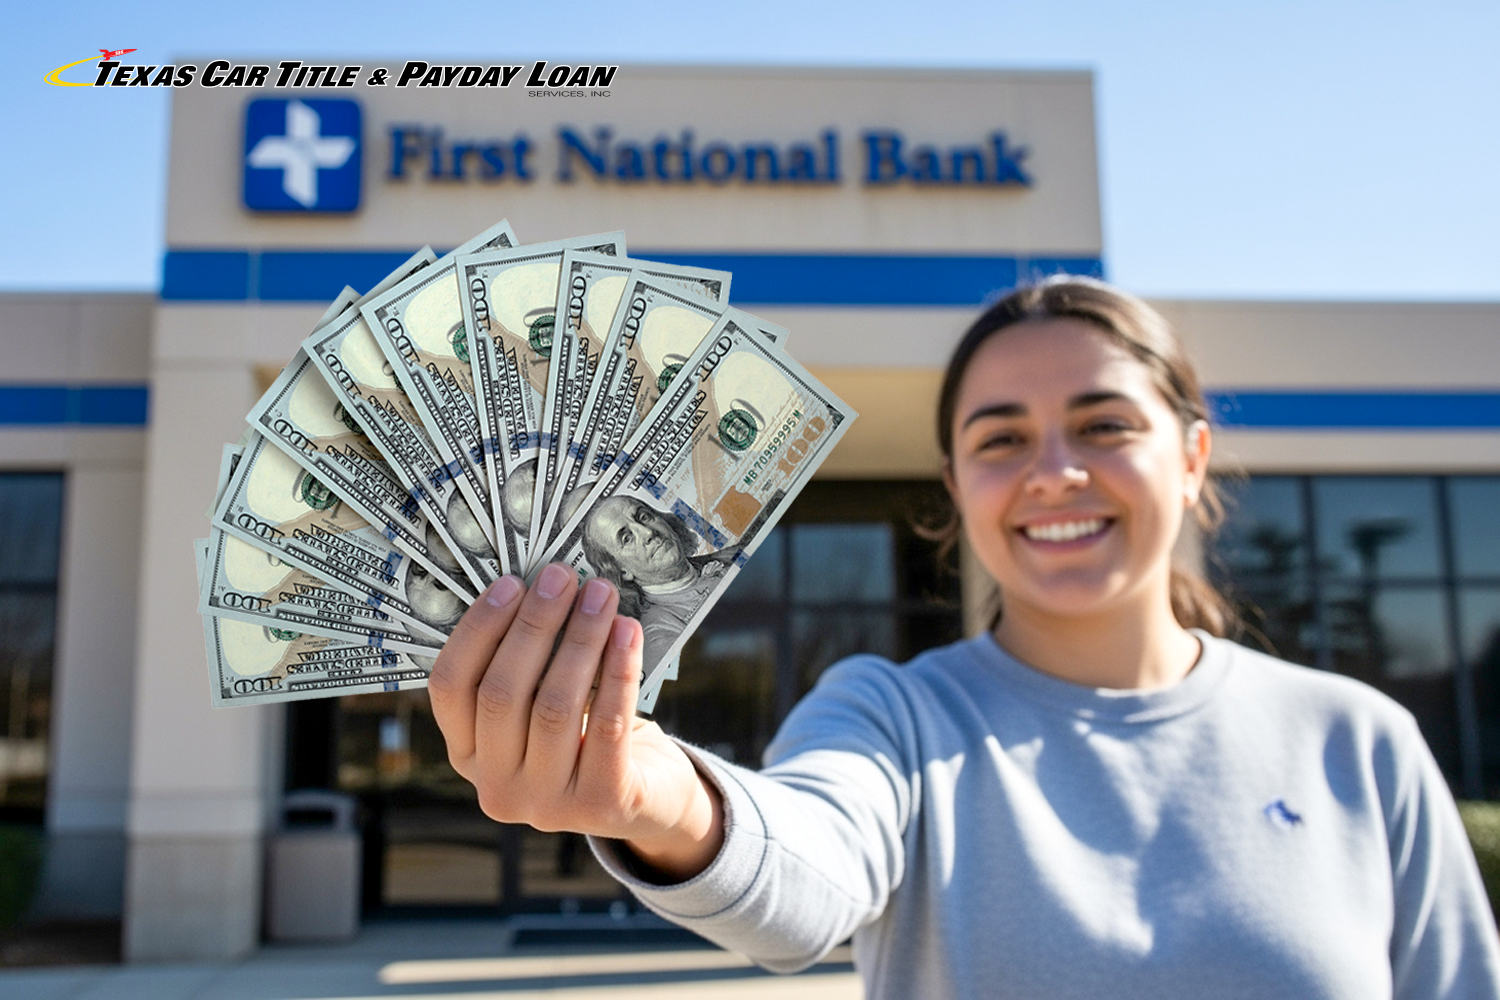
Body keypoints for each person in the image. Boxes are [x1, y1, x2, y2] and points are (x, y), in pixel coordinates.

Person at [428, 277, 1500, 998]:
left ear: (1192, 454)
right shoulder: (895, 717)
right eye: (1002, 439)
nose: (1054, 472)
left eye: (1104, 424)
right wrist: (647, 790)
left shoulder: (1361, 740)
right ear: (957, 487)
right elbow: (806, 872)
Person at [580, 495, 742, 666]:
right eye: (627, 538)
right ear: (622, 571)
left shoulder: (733, 555)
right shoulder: (658, 636)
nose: (648, 532)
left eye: (644, 517)